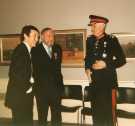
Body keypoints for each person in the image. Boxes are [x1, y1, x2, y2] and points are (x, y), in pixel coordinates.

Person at [85, 15, 126, 126]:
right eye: (91, 26)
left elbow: (122, 60)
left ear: (101, 26)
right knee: (96, 115)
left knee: (107, 116)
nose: (91, 28)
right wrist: (87, 68)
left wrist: (105, 64)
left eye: (93, 26)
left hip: (107, 85)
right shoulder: (90, 40)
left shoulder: (111, 40)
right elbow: (88, 58)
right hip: (94, 84)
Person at [5, 25, 39, 126]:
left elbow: (25, 71)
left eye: (37, 36)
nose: (37, 39)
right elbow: (14, 74)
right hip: (20, 97)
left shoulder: (26, 50)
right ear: (25, 36)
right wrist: (28, 87)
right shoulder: (21, 50)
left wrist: (31, 79)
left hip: (23, 96)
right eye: (35, 36)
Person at [32, 27, 64, 126]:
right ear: (42, 37)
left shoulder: (57, 48)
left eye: (53, 36)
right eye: (49, 36)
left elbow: (57, 67)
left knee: (57, 117)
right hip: (42, 90)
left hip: (56, 89)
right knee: (42, 117)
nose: (51, 38)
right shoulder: (35, 50)